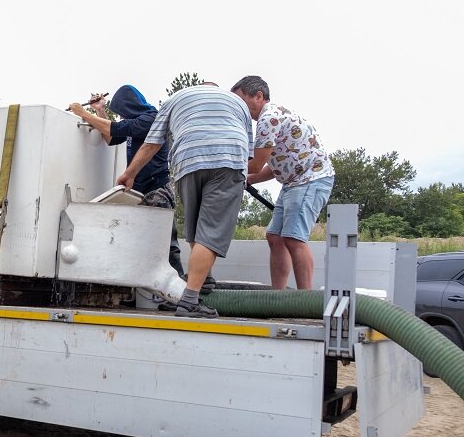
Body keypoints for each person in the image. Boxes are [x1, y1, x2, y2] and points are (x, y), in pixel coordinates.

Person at [117, 84, 253, 318]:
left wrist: (128, 174)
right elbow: (249, 151)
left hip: (187, 160)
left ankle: (203, 281)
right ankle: (189, 300)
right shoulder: (237, 102)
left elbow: (152, 143)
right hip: (227, 157)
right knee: (210, 232)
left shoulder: (175, 98)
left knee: (196, 229)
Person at [67, 84, 185, 279]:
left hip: (157, 189)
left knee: (165, 243)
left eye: (122, 112)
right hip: (138, 191)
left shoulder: (151, 119)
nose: (121, 117)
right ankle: (144, 292)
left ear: (130, 106)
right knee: (139, 243)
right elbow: (112, 137)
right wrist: (100, 111)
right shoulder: (135, 121)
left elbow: (116, 128)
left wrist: (84, 113)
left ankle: (178, 288)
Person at [231, 76, 335, 290]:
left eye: (241, 101)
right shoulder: (273, 116)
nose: (238, 107)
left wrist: (224, 167)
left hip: (311, 179)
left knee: (293, 239)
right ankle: (279, 297)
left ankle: (304, 301)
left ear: (259, 96)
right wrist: (249, 179)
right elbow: (276, 166)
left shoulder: (269, 118)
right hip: (294, 181)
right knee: (275, 237)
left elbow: (256, 164)